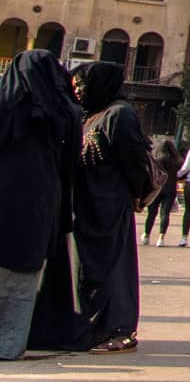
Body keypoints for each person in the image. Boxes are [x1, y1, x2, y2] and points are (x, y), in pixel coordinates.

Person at [0, 49, 81, 360]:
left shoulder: (4, 103)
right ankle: (9, 346)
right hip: (40, 201)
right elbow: (70, 164)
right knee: (23, 279)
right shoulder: (65, 110)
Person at [72, 61, 151, 352]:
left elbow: (134, 162)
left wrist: (135, 194)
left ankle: (120, 330)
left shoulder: (120, 115)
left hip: (110, 203)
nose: (79, 90)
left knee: (114, 268)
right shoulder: (94, 115)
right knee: (91, 269)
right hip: (90, 203)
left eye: (82, 84)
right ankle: (94, 327)